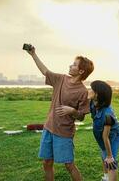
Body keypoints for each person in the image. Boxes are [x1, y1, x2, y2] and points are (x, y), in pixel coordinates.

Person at [24, 44, 94, 181]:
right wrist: (33, 54)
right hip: (49, 128)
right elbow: (45, 71)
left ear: (81, 71)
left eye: (74, 65)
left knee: (69, 165)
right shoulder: (61, 79)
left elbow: (81, 117)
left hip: (64, 133)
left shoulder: (82, 91)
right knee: (47, 162)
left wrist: (72, 111)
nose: (70, 66)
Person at [88, 80, 119, 181]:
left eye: (92, 89)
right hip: (101, 136)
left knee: (110, 161)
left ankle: (110, 178)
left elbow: (105, 136)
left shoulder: (108, 115)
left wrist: (110, 155)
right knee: (104, 156)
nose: (89, 91)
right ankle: (106, 177)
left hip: (112, 136)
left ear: (97, 94)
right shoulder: (93, 103)